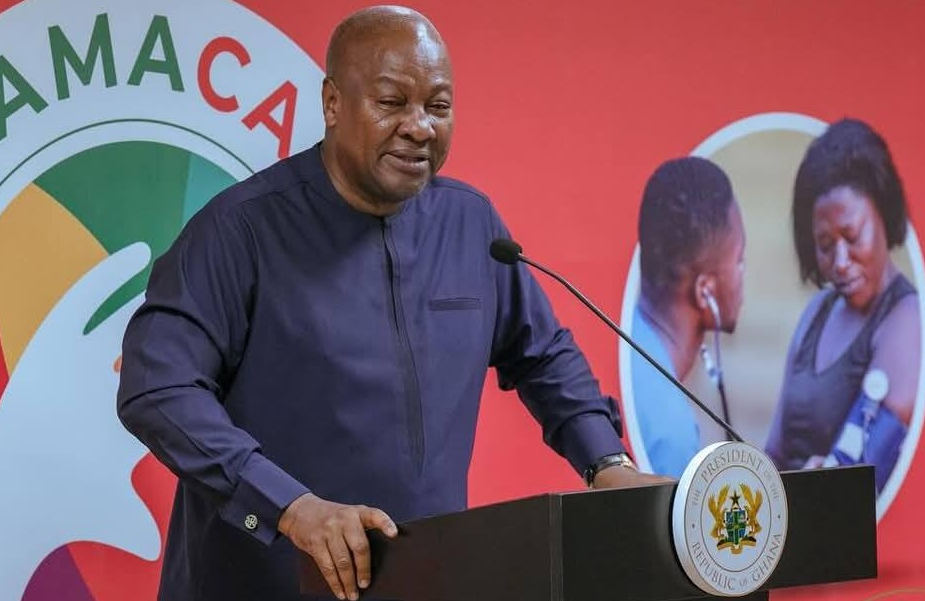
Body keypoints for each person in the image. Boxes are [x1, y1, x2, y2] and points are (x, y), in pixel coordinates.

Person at [116, 6, 664, 600]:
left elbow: (543, 354)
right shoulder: (239, 230)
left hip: (422, 582)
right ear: (332, 103)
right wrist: (291, 507)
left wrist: (606, 463)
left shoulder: (471, 225)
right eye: (392, 102)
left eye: (438, 106)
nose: (420, 127)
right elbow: (158, 388)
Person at [765, 118, 920, 493]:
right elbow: (775, 451)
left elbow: (858, 474)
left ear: (884, 215)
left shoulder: (906, 319)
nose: (840, 261)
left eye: (852, 237)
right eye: (824, 245)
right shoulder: (817, 312)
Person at [630, 156, 745, 477]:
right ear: (705, 291)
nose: (744, 275)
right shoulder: (671, 431)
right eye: (740, 260)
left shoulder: (623, 352)